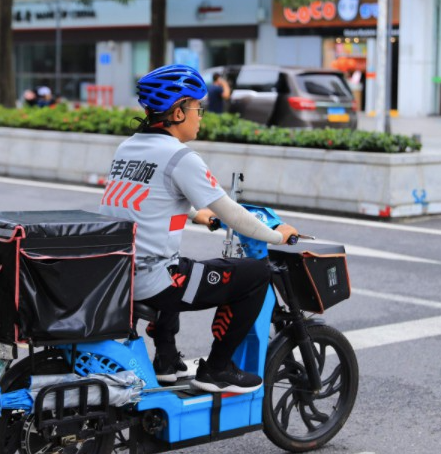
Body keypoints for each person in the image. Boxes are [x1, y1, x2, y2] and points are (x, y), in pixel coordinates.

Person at [98, 64, 298, 394]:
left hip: (119, 273)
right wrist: (279, 235)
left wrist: (195, 215)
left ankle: (166, 362)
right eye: (197, 108)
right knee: (256, 274)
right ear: (178, 112)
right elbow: (234, 215)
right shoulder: (180, 157)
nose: (200, 117)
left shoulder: (128, 147)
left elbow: (142, 199)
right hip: (153, 282)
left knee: (180, 264)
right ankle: (217, 369)